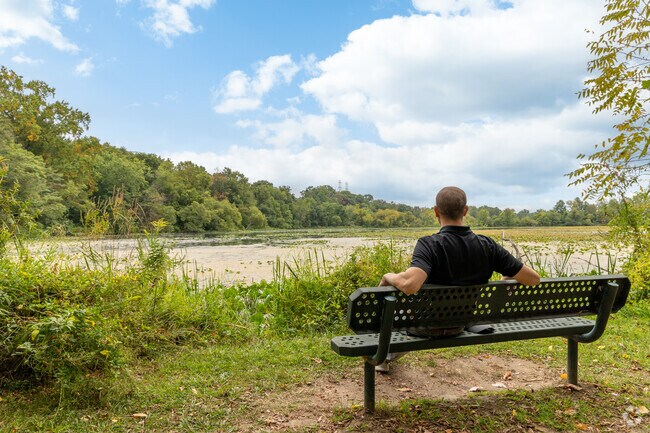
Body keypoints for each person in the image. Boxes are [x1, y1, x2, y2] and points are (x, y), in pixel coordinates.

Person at [376, 186, 540, 372]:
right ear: (465, 211)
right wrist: (508, 276)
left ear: (436, 211)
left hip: (425, 326)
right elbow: (533, 279)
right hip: (459, 324)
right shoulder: (487, 245)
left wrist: (387, 276)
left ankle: (383, 356)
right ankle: (386, 356)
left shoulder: (429, 244)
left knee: (390, 302)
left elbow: (410, 285)